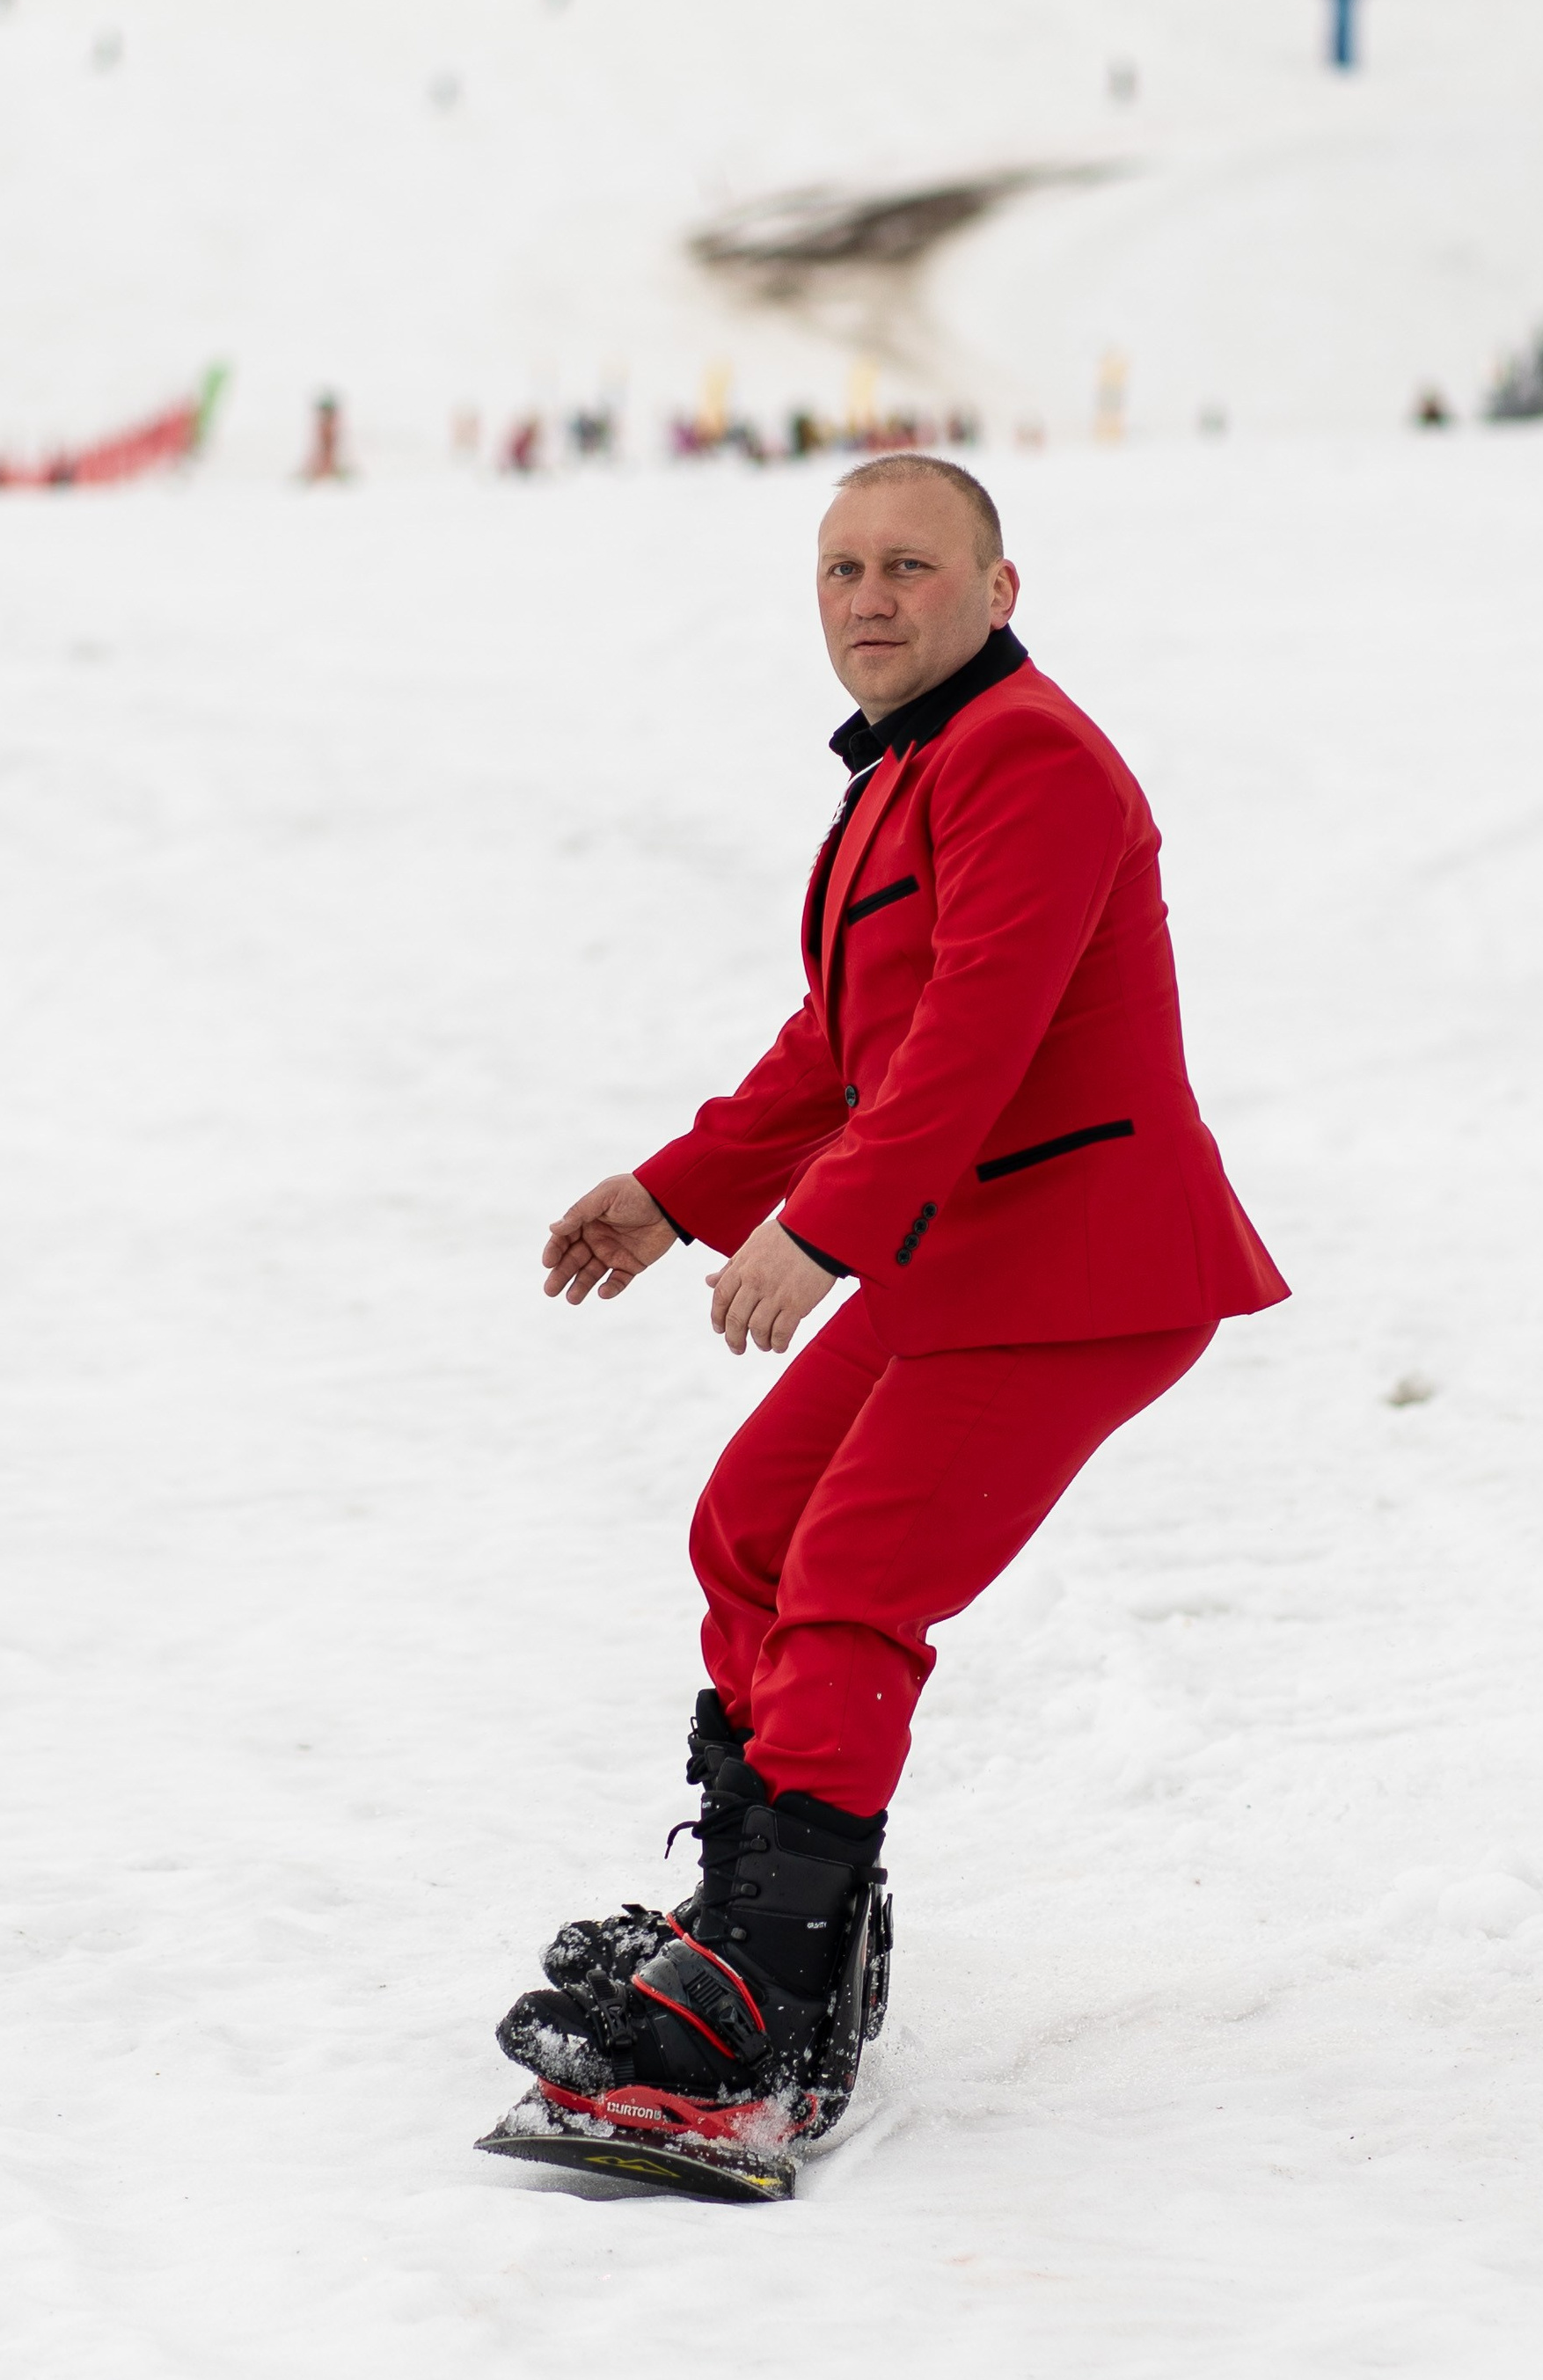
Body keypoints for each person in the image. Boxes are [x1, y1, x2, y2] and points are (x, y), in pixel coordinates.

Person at [487, 455, 1288, 2180]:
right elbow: (840, 1044)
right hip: (974, 1249)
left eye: (909, 566)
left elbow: (973, 1038)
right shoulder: (915, 769)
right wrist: (671, 1191)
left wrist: (821, 1228)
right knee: (749, 1530)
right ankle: (757, 1919)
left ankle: (761, 2000)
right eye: (842, 567)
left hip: (1083, 1263)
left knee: (848, 1577)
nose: (868, 596)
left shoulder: (1033, 762)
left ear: (997, 591)